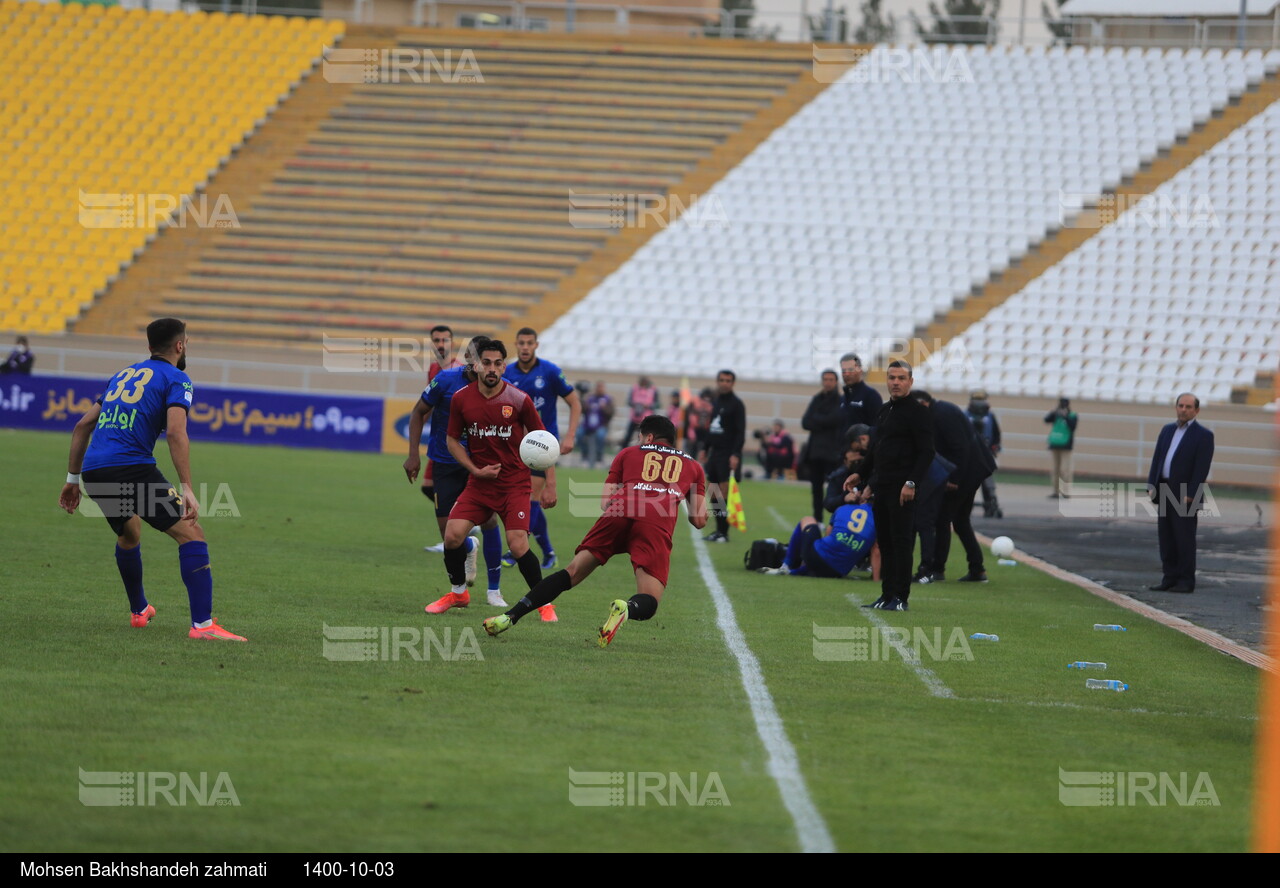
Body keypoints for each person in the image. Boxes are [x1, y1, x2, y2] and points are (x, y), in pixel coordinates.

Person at [57, 318, 245, 641]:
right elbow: (175, 431)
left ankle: (140, 611)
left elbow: (82, 426)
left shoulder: (122, 375)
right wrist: (186, 487)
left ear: (149, 347)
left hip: (94, 469)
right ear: (180, 346)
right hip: (131, 467)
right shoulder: (177, 379)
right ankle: (203, 626)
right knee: (192, 534)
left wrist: (72, 479)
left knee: (130, 532)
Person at [482, 415, 706, 647]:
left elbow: (605, 501)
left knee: (572, 572)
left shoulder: (627, 454)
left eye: (640, 438)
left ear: (648, 437)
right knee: (649, 600)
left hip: (619, 512)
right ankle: (626, 608)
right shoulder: (693, 466)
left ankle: (510, 616)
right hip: (655, 522)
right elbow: (698, 520)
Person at [425, 339, 553, 617]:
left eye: (498, 363)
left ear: (504, 366)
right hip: (479, 484)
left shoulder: (519, 400)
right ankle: (458, 594)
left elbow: (543, 441)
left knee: (518, 544)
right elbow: (451, 440)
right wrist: (474, 469)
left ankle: (544, 603)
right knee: (452, 536)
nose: (492, 368)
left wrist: (549, 485)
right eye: (487, 363)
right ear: (476, 365)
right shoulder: (461, 398)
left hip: (514, 484)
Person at [403, 339, 506, 607]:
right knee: (448, 533)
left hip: (479, 464)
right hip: (445, 462)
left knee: (490, 521)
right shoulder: (445, 380)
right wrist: (413, 454)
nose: (476, 362)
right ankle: (469, 550)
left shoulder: (497, 386)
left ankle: (494, 591)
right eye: (472, 356)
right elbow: (418, 412)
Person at [843, 361, 933, 611]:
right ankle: (886, 595)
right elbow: (875, 451)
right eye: (892, 377)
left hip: (903, 489)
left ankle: (901, 598)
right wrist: (860, 476)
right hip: (882, 487)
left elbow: (927, 452)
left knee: (902, 542)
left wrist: (912, 482)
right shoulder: (884, 411)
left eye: (901, 378)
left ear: (910, 382)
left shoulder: (918, 412)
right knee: (885, 543)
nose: (896, 382)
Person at [500, 327, 582, 592]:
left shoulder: (549, 371)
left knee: (531, 496)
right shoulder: (508, 372)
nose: (525, 347)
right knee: (527, 500)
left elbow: (575, 402)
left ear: (536, 345)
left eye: (529, 343)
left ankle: (516, 549)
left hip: (541, 445)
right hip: (513, 445)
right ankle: (548, 551)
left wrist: (569, 436)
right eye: (521, 343)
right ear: (516, 344)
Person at [912, 391, 994, 584]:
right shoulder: (940, 411)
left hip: (967, 471)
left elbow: (960, 448)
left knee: (942, 519)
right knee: (960, 520)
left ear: (923, 404)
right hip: (972, 469)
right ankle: (977, 568)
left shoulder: (942, 414)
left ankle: (937, 568)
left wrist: (955, 479)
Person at [1146, 393, 1215, 594]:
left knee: (1184, 538)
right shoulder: (1167, 430)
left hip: (1186, 493)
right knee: (1166, 537)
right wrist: (1151, 484)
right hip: (1165, 488)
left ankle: (1185, 581)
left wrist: (1192, 493)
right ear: (1176, 407)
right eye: (1180, 405)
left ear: (1196, 411)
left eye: (1188, 407)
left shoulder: (1204, 435)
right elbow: (1157, 459)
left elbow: (1202, 468)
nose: (1183, 409)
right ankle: (1169, 577)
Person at [419, 325, 467, 550]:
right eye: (436, 340)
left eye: (444, 340)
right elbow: (428, 403)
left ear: (452, 343)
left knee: (445, 490)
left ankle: (459, 530)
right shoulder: (432, 369)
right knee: (428, 487)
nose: (440, 344)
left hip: (457, 443)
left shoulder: (459, 370)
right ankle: (458, 529)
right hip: (439, 442)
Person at [758, 502, 879, 580]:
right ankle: (794, 572)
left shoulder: (844, 508)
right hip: (838, 571)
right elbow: (876, 551)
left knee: (808, 519)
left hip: (817, 557)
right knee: (824, 563)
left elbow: (828, 534)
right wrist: (875, 579)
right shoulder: (879, 522)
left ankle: (786, 565)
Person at [701, 369, 746, 543]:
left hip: (727, 455)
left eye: (728, 380)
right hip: (714, 454)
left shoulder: (737, 404)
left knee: (724, 494)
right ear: (717, 381)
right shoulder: (716, 401)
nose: (724, 383)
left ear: (732, 383)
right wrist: (705, 448)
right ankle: (718, 530)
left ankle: (724, 532)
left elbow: (740, 432)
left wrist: (735, 454)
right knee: (713, 492)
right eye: (722, 380)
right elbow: (711, 428)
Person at [802, 369, 846, 518]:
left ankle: (836, 519)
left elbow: (836, 420)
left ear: (836, 382)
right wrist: (823, 420)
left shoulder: (841, 400)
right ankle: (817, 518)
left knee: (835, 488)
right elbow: (805, 422)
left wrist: (817, 418)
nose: (827, 382)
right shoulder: (817, 399)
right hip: (815, 452)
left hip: (832, 452)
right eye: (825, 379)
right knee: (816, 488)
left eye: (830, 380)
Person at [966, 390, 1003, 518]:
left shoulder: (990, 417)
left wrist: (995, 447)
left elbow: (996, 434)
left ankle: (990, 505)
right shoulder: (966, 416)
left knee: (987, 482)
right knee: (968, 483)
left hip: (986, 454)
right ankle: (965, 506)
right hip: (969, 455)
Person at [1044, 397, 1078, 498]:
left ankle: (1066, 491)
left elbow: (1072, 427)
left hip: (1066, 446)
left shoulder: (1072, 415)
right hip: (1055, 444)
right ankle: (1055, 491)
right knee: (1056, 469)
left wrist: (1066, 416)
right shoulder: (1056, 414)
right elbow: (1046, 420)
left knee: (1065, 469)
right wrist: (1054, 412)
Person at [839, 352, 882, 429]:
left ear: (860, 370)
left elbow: (877, 429)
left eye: (851, 369)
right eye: (844, 370)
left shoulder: (872, 396)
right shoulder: (842, 399)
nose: (847, 374)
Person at [581, 381, 615, 469]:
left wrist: (604, 408)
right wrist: (585, 405)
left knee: (600, 436)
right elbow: (582, 411)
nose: (599, 389)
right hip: (587, 425)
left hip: (601, 425)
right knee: (579, 433)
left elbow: (611, 413)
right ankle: (585, 457)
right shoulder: (590, 398)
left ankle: (599, 458)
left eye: (601, 387)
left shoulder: (608, 399)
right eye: (598, 387)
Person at [621, 376, 659, 448]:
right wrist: (636, 404)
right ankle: (623, 451)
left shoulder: (653, 390)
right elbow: (629, 401)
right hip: (634, 417)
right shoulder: (634, 388)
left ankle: (643, 451)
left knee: (643, 438)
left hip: (646, 419)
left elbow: (657, 404)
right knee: (628, 437)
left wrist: (647, 406)